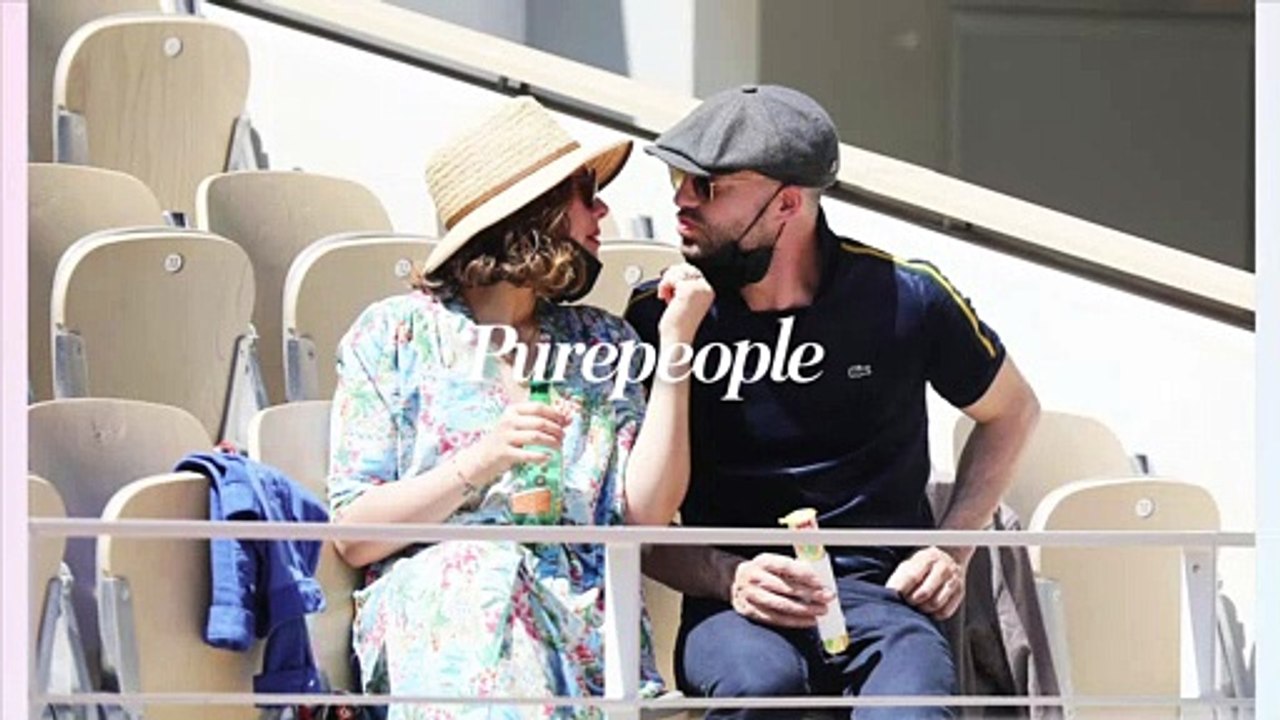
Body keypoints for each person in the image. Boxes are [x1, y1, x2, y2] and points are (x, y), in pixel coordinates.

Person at [625, 85, 1041, 719]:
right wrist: (725, 575)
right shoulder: (664, 317)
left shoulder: (909, 298)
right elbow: (634, 520)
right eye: (678, 178)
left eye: (707, 185)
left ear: (787, 202)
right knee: (761, 691)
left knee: (915, 711)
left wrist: (952, 547)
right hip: (734, 602)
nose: (681, 199)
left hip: (881, 598)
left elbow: (1013, 413)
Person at [327, 96, 713, 719]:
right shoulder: (393, 334)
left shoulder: (601, 342)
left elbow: (646, 513)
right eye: (586, 194)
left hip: (580, 622)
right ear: (532, 215)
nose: (604, 210)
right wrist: (478, 463)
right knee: (476, 574)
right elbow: (353, 535)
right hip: (445, 623)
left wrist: (675, 349)